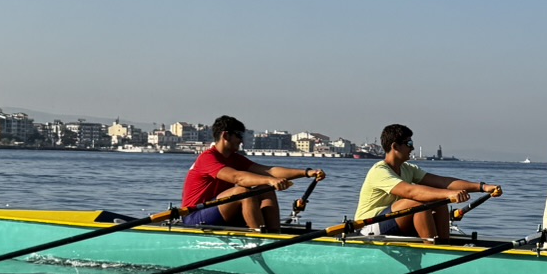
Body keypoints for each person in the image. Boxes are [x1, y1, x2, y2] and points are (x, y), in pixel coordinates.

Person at [181, 115, 325, 230]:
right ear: (226, 136)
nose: (241, 140)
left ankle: (275, 235)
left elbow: (270, 171)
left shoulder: (236, 159)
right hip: (195, 216)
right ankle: (259, 240)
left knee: (265, 190)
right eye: (239, 135)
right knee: (242, 192)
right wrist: (270, 180)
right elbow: (238, 178)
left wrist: (307, 173)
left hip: (220, 211)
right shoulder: (207, 158)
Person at [356, 124, 499, 239]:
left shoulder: (408, 169)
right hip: (367, 227)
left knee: (439, 203)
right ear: (395, 146)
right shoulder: (379, 171)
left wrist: (482, 187)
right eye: (409, 143)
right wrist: (449, 195)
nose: (412, 147)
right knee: (418, 204)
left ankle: (444, 247)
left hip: (393, 221)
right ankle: (433, 252)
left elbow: (443, 182)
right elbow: (411, 192)